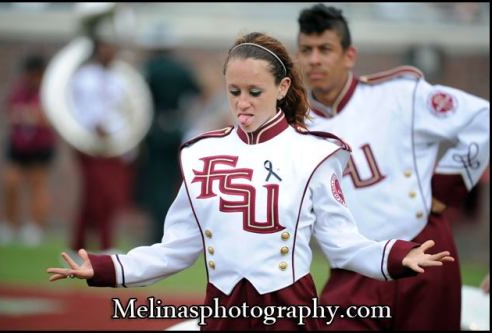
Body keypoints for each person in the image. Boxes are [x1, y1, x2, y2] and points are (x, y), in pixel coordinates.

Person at [47, 32, 454, 331]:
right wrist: (102, 268)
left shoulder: (316, 154)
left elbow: (343, 245)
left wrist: (400, 256)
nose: (242, 103)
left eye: (255, 91)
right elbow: (175, 251)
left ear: (282, 88)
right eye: (234, 91)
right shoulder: (199, 154)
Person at [295, 4, 490, 330]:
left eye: (325, 49)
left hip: (423, 248)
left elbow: (481, 119)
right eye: (306, 50)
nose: (314, 59)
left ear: (349, 55)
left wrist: (446, 186)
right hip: (355, 269)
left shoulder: (399, 94)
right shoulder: (295, 129)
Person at [134, 27, 204, 243]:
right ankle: (166, 232)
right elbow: (199, 94)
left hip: (152, 131)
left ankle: (157, 234)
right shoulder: (181, 70)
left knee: (155, 184)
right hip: (176, 130)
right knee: (172, 183)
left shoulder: (146, 69)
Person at [69, 39, 133, 252]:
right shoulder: (83, 77)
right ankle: (85, 246)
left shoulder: (121, 79)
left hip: (114, 146)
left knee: (109, 197)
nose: (109, 52)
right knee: (94, 197)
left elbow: (126, 111)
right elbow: (74, 109)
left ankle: (101, 245)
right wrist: (91, 127)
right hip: (89, 145)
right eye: (105, 47)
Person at [0, 54, 57, 246]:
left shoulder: (49, 92)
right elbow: (12, 113)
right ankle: (9, 224)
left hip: (41, 145)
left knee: (38, 185)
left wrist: (28, 115)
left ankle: (35, 227)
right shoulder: (19, 91)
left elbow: (47, 118)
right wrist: (30, 115)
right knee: (10, 182)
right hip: (18, 144)